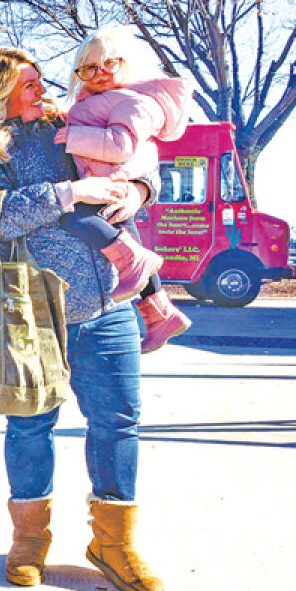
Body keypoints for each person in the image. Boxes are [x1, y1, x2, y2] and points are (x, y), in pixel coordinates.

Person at [0, 46, 164, 591]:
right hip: (25, 318)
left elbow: (134, 157)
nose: (43, 90)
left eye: (41, 82)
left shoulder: (68, 124)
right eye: (29, 83)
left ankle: (113, 543)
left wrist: (137, 190)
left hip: (107, 308)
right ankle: (29, 539)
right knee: (31, 427)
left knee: (118, 423)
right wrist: (69, 193)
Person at [54, 27, 194, 352]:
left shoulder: (131, 101)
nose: (99, 73)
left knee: (73, 218)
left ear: (126, 63)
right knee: (126, 237)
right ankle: (160, 314)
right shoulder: (102, 100)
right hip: (106, 181)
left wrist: (72, 137)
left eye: (108, 64)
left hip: (109, 183)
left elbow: (121, 145)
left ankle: (135, 266)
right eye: (89, 68)